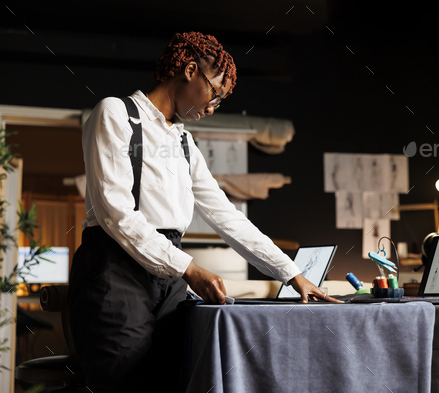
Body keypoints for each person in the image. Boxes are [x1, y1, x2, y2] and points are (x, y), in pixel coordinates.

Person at [68, 31, 340, 393]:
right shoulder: (115, 114)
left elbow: (226, 216)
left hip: (169, 279)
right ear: (190, 70)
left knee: (179, 381)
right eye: (214, 93)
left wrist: (292, 273)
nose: (212, 107)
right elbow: (117, 215)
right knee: (126, 384)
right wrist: (190, 269)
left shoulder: (183, 142)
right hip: (113, 269)